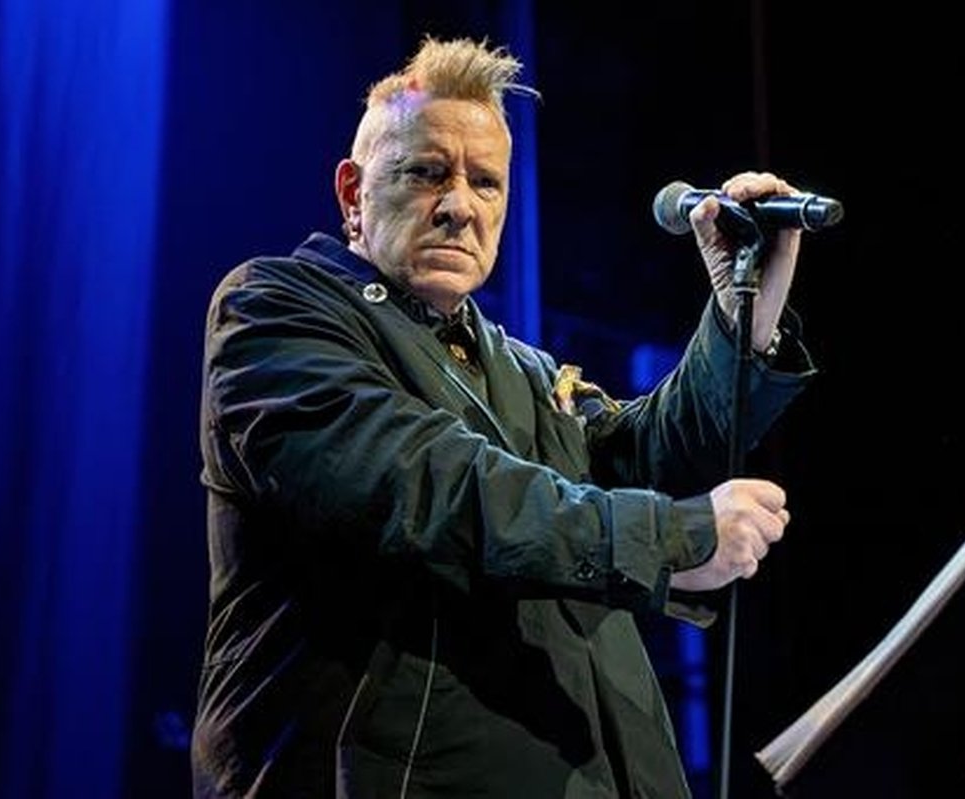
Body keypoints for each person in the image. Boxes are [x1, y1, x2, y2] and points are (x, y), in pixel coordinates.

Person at [191, 34, 817, 799]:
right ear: (353, 193)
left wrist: (742, 316)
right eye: (427, 173)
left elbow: (646, 463)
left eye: (485, 182)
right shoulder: (275, 311)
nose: (460, 206)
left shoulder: (521, 368)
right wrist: (675, 535)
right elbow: (432, 483)